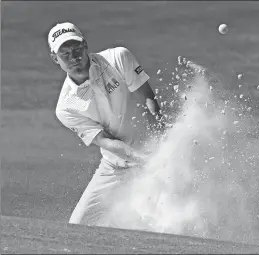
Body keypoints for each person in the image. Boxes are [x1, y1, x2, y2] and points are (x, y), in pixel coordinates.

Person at [48, 22, 169, 227]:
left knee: (162, 223)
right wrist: (143, 160)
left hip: (154, 154)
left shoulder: (117, 58)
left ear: (85, 45)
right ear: (54, 58)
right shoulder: (66, 107)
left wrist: (162, 145)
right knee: (77, 227)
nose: (74, 57)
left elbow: (148, 99)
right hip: (115, 167)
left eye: (77, 49)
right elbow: (106, 141)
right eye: (65, 53)